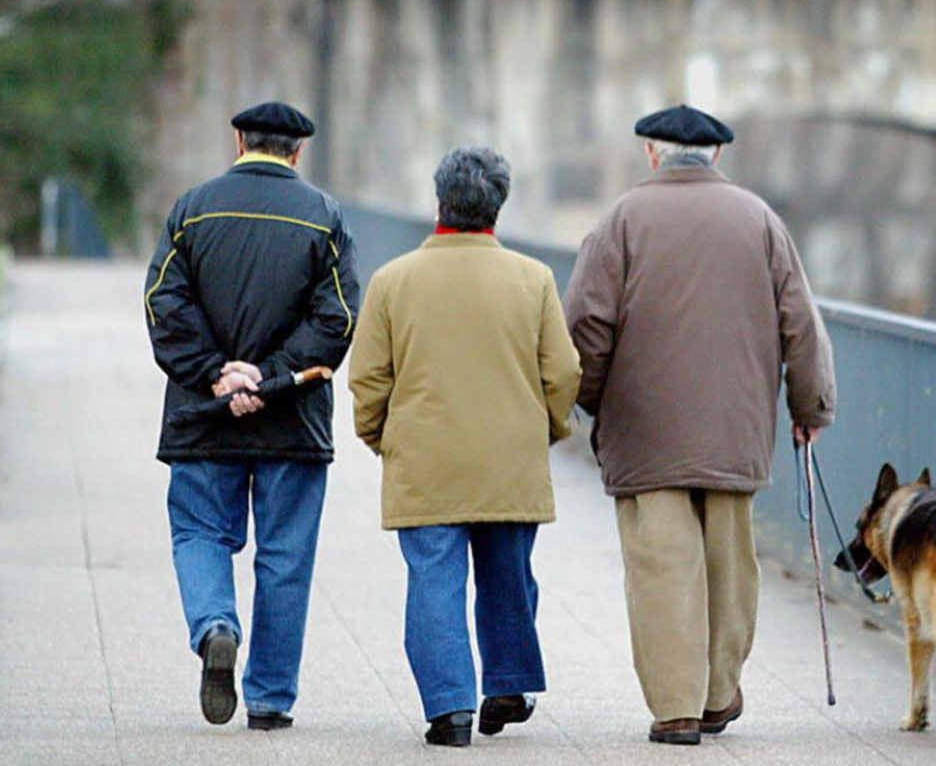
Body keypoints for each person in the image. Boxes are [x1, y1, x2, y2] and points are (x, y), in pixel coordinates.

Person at [563, 104, 837, 745]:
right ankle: (718, 696)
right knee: (729, 566)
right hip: (734, 430)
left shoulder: (622, 220)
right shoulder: (760, 220)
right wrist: (809, 408)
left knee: (662, 567)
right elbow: (801, 323)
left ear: (652, 156)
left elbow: (585, 327)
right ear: (718, 157)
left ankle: (676, 707)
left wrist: (592, 401)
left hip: (645, 431)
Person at [348, 146, 581, 748]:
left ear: (439, 204)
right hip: (509, 456)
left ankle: (449, 708)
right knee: (508, 574)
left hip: (425, 456)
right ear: (497, 209)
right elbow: (562, 373)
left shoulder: (393, 281)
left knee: (434, 581)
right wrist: (548, 429)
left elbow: (369, 378)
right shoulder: (534, 280)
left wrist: (381, 437)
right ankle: (506, 681)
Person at [143, 101, 360, 730]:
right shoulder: (324, 217)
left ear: (239, 139)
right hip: (292, 419)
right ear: (297, 152)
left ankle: (215, 624)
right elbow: (337, 317)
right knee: (285, 556)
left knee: (199, 532)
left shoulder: (193, 208)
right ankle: (269, 700)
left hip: (202, 414)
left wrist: (217, 372)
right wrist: (271, 377)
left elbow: (162, 301)